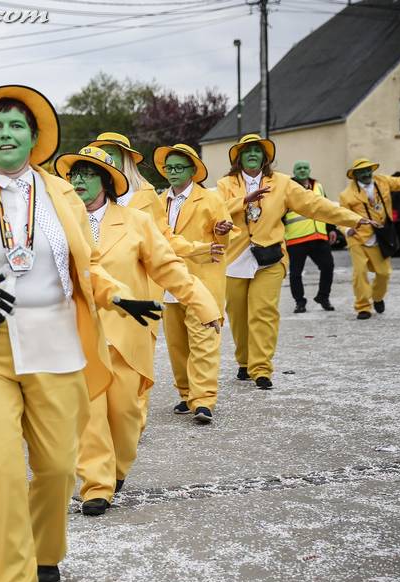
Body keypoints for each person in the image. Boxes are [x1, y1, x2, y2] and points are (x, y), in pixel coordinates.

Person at [0, 85, 160, 582]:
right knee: (2, 470)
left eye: (16, 127)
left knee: (54, 467)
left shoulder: (62, 195)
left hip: (56, 348)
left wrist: (118, 295)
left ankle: (46, 550)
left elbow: (85, 268)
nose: (5, 135)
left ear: (34, 138)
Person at [55, 146, 219, 516]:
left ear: (106, 181)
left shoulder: (136, 222)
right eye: (74, 175)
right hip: (77, 335)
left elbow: (169, 268)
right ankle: (96, 483)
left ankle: (117, 466)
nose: (78, 181)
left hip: (128, 334)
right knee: (88, 414)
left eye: (87, 174)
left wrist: (202, 302)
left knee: (125, 416)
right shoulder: (59, 222)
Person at [218, 134, 363, 389]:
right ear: (238, 157)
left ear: (265, 157)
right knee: (238, 315)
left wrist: (352, 219)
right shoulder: (224, 184)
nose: (252, 154)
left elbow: (315, 205)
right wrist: (243, 201)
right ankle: (244, 361)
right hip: (235, 260)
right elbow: (213, 210)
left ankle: (261, 368)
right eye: (247, 151)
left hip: (270, 257)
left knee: (263, 312)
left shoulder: (283, 183)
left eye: (257, 151)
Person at [152, 144, 233, 423]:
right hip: (170, 280)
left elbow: (222, 239)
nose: (172, 172)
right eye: (168, 168)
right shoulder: (159, 200)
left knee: (204, 342)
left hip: (203, 279)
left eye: (178, 167)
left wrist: (221, 232)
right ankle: (186, 395)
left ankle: (204, 400)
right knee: (177, 344)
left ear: (193, 171)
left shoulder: (210, 199)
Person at [338, 159, 400, 319]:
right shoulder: (346, 195)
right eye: (362, 172)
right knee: (360, 272)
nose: (367, 174)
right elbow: (340, 216)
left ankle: (377, 297)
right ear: (355, 175)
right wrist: (347, 230)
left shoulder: (382, 181)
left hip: (380, 235)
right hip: (358, 237)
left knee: (384, 273)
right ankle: (363, 307)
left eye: (369, 170)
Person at [284, 161, 337, 312]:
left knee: (328, 267)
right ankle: (300, 302)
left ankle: (323, 297)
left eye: (305, 168)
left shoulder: (318, 186)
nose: (302, 170)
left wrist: (331, 228)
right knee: (295, 274)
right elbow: (281, 212)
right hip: (296, 238)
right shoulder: (288, 188)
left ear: (309, 170)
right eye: (299, 168)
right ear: (294, 171)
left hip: (318, 236)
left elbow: (326, 208)